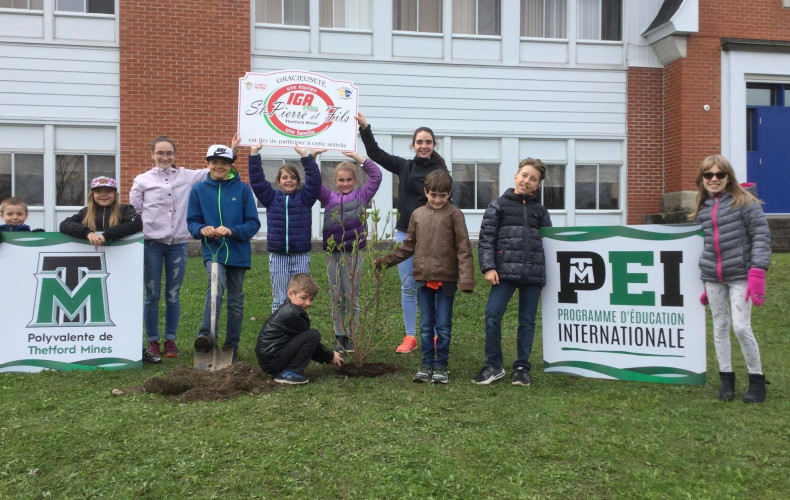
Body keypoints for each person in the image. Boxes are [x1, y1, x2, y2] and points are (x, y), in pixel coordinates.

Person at [357, 113, 448, 354]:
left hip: (433, 239)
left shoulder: (441, 172)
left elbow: (449, 203)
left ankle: (437, 335)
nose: (424, 145)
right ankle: (410, 336)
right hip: (405, 236)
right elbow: (376, 154)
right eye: (420, 142)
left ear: (434, 145)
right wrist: (365, 128)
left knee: (433, 287)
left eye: (428, 142)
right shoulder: (404, 166)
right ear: (413, 145)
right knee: (408, 286)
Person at [375, 170, 474, 384]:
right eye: (433, 195)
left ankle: (441, 366)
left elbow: (464, 248)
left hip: (446, 280)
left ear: (449, 194)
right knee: (426, 325)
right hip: (423, 279)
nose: (438, 199)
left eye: (443, 195)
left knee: (443, 326)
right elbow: (407, 247)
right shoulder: (417, 214)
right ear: (426, 192)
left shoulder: (455, 214)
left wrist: (466, 279)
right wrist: (385, 261)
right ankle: (426, 364)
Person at [690, 154, 771, 403]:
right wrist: (705, 282)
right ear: (702, 179)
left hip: (741, 274)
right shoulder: (702, 209)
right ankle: (726, 379)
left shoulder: (745, 202)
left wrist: (757, 272)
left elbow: (761, 235)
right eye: (708, 175)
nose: (714, 179)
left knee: (740, 326)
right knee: (720, 326)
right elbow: (702, 246)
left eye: (719, 174)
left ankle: (756, 380)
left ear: (728, 177)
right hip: (713, 277)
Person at [130, 135, 215, 362]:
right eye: (160, 153)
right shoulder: (142, 180)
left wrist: (233, 149)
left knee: (173, 295)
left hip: (177, 244)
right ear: (152, 155)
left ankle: (170, 338)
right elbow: (136, 209)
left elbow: (212, 169)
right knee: (152, 294)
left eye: (169, 153)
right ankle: (152, 340)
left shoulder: (186, 176)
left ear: (175, 155)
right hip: (152, 244)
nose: (164, 157)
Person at [472, 158, 552, 387]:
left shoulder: (541, 212)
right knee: (492, 316)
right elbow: (487, 238)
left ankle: (521, 368)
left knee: (527, 322)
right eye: (524, 175)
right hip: (503, 273)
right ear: (516, 176)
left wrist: (546, 277)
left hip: (532, 276)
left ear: (538, 185)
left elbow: (550, 244)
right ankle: (493, 365)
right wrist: (488, 267)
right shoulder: (498, 205)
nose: (527, 181)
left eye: (533, 179)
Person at [187, 144, 261, 363]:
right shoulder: (199, 190)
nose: (219, 166)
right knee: (214, 291)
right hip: (214, 252)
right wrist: (202, 230)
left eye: (224, 163)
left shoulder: (243, 190)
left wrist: (233, 230)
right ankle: (206, 337)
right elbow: (192, 222)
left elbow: (253, 223)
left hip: (238, 253)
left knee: (236, 300)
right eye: (214, 162)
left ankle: (231, 345)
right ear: (208, 164)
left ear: (230, 165)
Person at [318, 150, 382, 352]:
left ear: (355, 180)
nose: (345, 183)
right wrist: (310, 158)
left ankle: (352, 336)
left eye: (348, 180)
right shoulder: (328, 197)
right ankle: (339, 335)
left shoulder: (362, 195)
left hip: (354, 253)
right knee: (336, 295)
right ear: (335, 181)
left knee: (351, 296)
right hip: (332, 253)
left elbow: (377, 175)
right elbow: (312, 182)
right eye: (341, 180)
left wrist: (359, 158)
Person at [248, 142, 322, 313]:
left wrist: (305, 156)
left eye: (293, 177)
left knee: (302, 296)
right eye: (284, 177)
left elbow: (315, 182)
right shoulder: (271, 197)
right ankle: (278, 335)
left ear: (298, 181)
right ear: (279, 181)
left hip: (300, 255)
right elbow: (258, 181)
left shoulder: (305, 198)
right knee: (280, 297)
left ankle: (297, 332)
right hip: (278, 255)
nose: (289, 181)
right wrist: (254, 154)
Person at [255, 273, 344, 385]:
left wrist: (328, 357)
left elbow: (305, 345)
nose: (308, 303)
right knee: (313, 335)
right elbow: (310, 341)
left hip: (269, 360)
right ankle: (290, 372)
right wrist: (330, 356)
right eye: (304, 298)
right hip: (272, 360)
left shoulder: (289, 308)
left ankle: (286, 370)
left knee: (310, 336)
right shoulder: (293, 314)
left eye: (311, 299)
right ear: (290, 294)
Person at [59, 177, 143, 250]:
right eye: (98, 191)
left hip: (121, 256)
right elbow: (64, 224)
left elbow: (137, 223)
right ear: (92, 195)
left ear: (115, 194)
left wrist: (107, 235)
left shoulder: (125, 209)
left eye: (108, 191)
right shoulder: (85, 212)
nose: (103, 195)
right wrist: (88, 233)